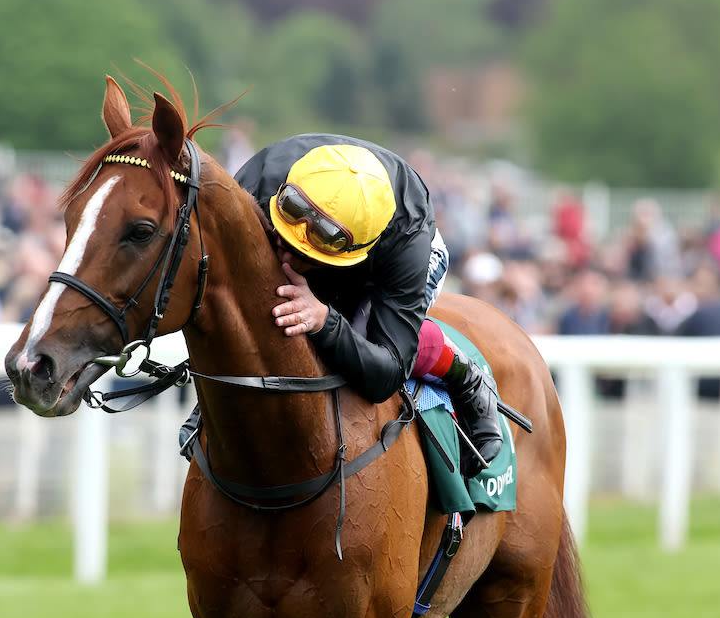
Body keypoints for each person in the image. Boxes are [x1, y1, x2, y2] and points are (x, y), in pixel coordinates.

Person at [179, 134, 503, 477]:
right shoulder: (258, 181)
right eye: (283, 238)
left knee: (359, 335)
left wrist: (325, 319)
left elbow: (384, 376)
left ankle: (465, 375)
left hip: (387, 253)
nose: (288, 258)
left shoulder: (406, 238)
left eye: (305, 255)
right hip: (329, 217)